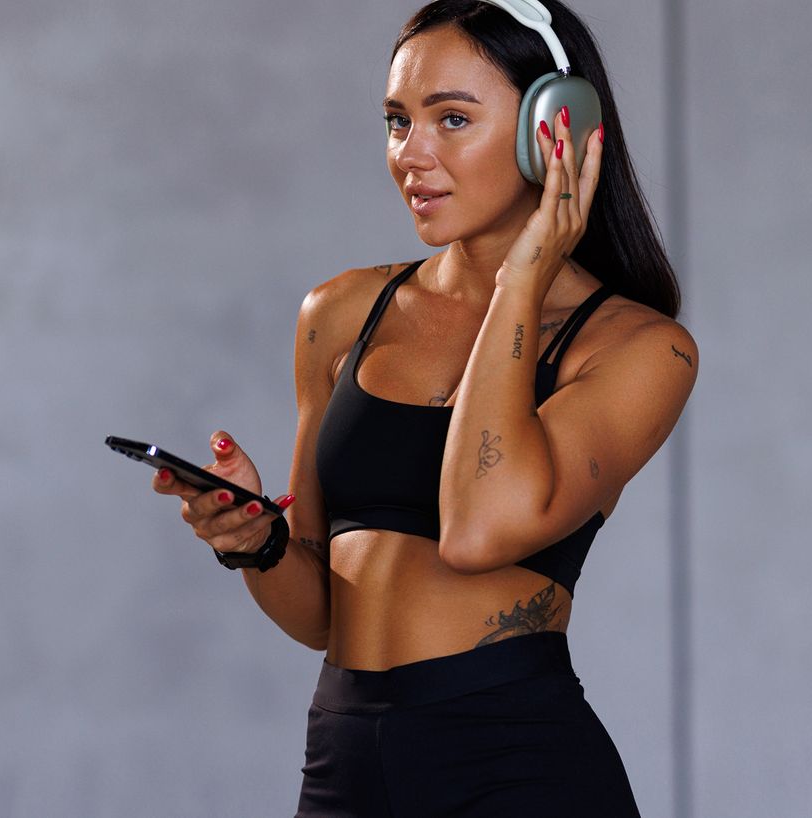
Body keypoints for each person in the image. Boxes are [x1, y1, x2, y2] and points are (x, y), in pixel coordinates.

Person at [152, 1, 695, 813]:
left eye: (452, 119)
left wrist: (521, 278)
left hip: (514, 760)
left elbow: (479, 529)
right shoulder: (339, 314)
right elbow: (321, 618)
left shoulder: (637, 349)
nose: (413, 154)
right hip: (344, 757)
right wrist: (258, 545)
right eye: (398, 121)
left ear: (554, 128)